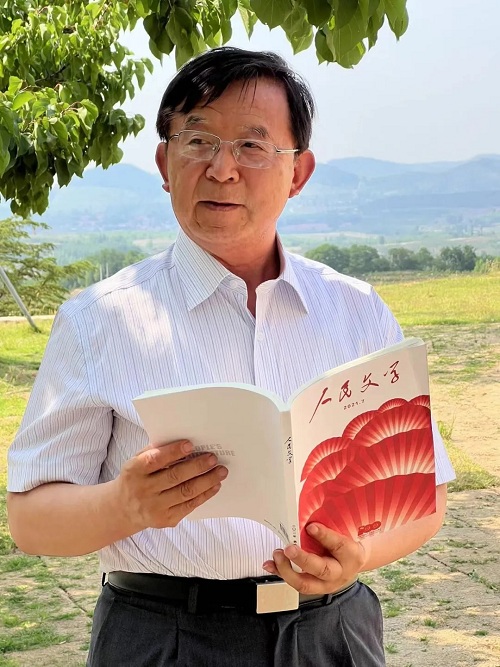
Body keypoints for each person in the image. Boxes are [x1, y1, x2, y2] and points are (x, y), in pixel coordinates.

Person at [7, 47, 455, 667]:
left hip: (333, 633)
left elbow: (421, 497)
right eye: (197, 141)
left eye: (252, 145)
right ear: (164, 163)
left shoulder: (356, 310)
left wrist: (358, 557)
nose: (222, 169)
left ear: (298, 172)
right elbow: (30, 521)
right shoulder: (98, 318)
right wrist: (125, 505)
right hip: (163, 635)